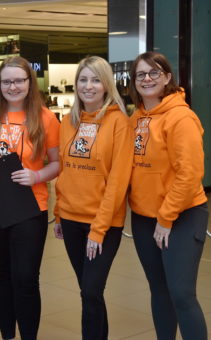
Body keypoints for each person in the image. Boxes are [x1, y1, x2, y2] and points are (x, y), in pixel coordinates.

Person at [0, 56, 60, 340]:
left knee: (25, 279)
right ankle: (7, 335)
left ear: (29, 83)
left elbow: (57, 163)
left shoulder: (46, 118)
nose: (13, 87)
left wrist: (36, 176)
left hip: (29, 207)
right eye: (7, 81)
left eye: (19, 81)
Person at [128, 51, 208, 340]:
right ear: (133, 81)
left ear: (167, 77)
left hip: (182, 216)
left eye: (154, 73)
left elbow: (189, 174)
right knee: (159, 290)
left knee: (182, 294)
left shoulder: (181, 118)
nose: (147, 79)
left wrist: (166, 217)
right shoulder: (136, 118)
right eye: (141, 74)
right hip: (143, 218)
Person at [53, 56, 133, 339]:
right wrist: (59, 213)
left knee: (91, 290)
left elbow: (118, 181)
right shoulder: (67, 121)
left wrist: (98, 230)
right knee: (89, 292)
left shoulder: (119, 123)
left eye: (96, 80)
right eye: (83, 80)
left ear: (107, 85)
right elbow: (65, 172)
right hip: (71, 220)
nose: (89, 86)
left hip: (103, 224)